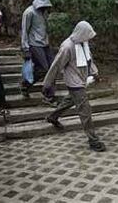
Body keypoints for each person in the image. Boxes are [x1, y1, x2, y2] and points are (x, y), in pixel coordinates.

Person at [43, 21, 106, 152]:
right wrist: (47, 83)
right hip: (74, 82)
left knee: (69, 101)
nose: (89, 38)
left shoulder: (83, 43)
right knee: (85, 111)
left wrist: (95, 73)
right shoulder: (67, 47)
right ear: (82, 33)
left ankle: (53, 117)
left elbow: (89, 59)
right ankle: (93, 141)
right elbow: (56, 65)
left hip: (82, 80)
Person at [20, 0, 55, 102]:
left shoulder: (44, 13)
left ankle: (49, 95)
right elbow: (24, 30)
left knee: (53, 68)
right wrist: (25, 48)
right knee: (43, 68)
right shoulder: (29, 12)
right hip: (34, 44)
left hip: (45, 43)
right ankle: (25, 84)